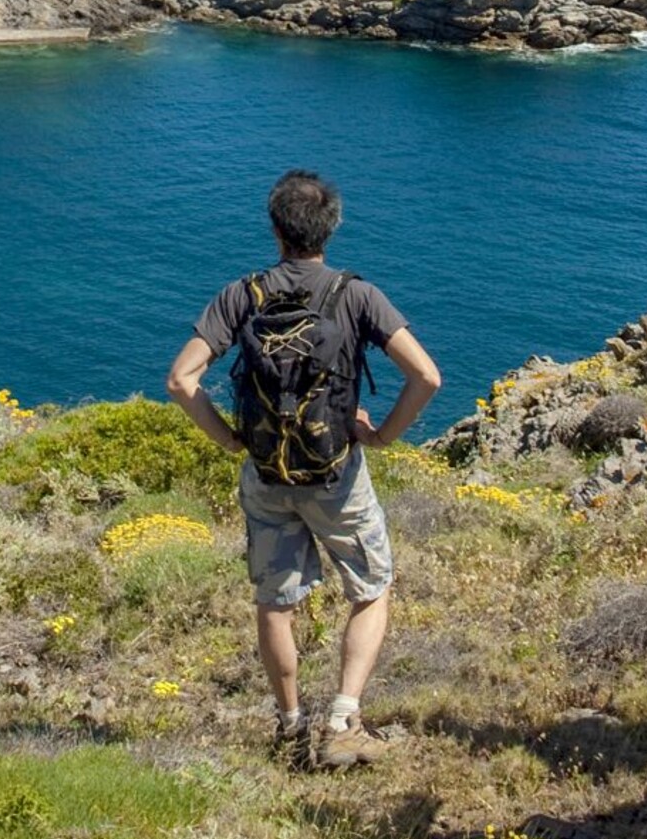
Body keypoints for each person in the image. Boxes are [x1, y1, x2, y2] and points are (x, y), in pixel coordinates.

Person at [166, 170, 441, 770]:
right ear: (331, 228)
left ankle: (290, 725)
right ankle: (343, 719)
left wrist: (229, 440)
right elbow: (427, 376)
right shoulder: (356, 295)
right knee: (371, 589)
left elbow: (181, 380)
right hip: (336, 474)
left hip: (266, 474)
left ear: (275, 228)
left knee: (275, 601)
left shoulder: (243, 295)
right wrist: (383, 435)